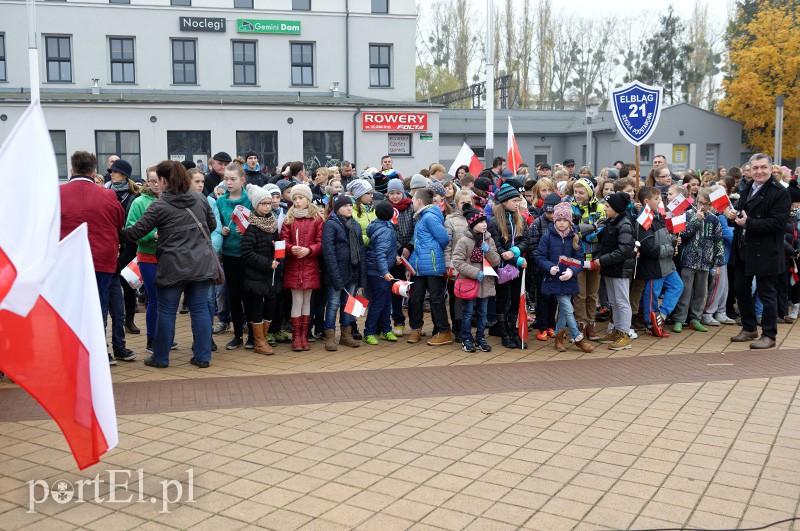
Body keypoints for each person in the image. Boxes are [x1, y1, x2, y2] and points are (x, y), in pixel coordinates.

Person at [122, 161, 218, 369]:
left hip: (172, 265)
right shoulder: (199, 198)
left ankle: (161, 357)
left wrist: (115, 228)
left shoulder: (159, 205)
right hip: (201, 263)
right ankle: (203, 357)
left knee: (166, 311)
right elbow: (212, 225)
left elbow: (135, 233)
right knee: (200, 309)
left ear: (164, 180)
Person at [60, 151, 126, 365]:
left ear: (72, 170)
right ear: (94, 171)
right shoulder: (107, 195)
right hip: (101, 260)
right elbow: (119, 223)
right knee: (98, 307)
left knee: (69, 307)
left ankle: (72, 352)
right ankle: (98, 352)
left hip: (68, 262)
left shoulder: (57, 194)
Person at [727, 153, 791, 349]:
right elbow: (742, 213)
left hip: (766, 250)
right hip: (743, 248)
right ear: (750, 169)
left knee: (766, 293)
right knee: (740, 288)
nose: (759, 171)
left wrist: (749, 223)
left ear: (771, 168)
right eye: (755, 168)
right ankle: (749, 328)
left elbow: (778, 223)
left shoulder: (779, 192)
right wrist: (732, 215)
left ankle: (769, 335)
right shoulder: (746, 188)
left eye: (763, 167)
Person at [536, 202, 594, 353]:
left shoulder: (575, 237)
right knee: (568, 307)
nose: (561, 223)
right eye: (558, 220)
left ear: (569, 221)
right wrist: (549, 267)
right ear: (554, 221)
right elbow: (540, 257)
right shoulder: (547, 237)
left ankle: (558, 339)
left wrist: (571, 271)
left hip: (568, 279)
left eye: (565, 220)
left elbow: (579, 258)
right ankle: (577, 337)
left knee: (563, 310)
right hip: (553, 279)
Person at [672, 189, 725, 333]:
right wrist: (696, 220)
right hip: (688, 261)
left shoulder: (714, 219)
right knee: (685, 291)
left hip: (705, 262)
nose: (703, 206)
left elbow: (718, 242)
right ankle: (679, 319)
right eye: (701, 203)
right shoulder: (688, 215)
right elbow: (683, 234)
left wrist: (717, 263)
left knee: (701, 293)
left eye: (707, 204)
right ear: (696, 201)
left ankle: (695, 318)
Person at [104, 158, 140, 361]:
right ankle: (116, 338)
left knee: (128, 286)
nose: (112, 174)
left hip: (128, 246)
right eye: (110, 171)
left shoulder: (134, 195)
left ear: (125, 175)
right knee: (112, 293)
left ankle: (130, 319)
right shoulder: (106, 192)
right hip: (111, 247)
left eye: (115, 171)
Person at [281, 183, 324, 352]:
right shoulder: (288, 219)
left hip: (310, 265)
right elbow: (283, 241)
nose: (297, 201)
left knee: (307, 301)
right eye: (295, 198)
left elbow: (321, 243)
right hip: (294, 265)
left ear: (308, 199)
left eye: (301, 198)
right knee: (296, 300)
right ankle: (296, 337)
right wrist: (291, 248)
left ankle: (305, 335)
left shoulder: (317, 219)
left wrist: (309, 250)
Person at [635, 186, 683, 338]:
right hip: (654, 266)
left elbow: (665, 237)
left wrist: (674, 240)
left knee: (677, 285)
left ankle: (661, 315)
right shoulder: (644, 219)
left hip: (667, 265)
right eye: (656, 199)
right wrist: (670, 249)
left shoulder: (657, 216)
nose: (660, 201)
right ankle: (651, 323)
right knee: (652, 296)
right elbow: (648, 247)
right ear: (646, 201)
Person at [406, 189, 452, 345]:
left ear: (419, 201)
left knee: (436, 299)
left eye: (413, 199)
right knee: (415, 298)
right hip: (419, 266)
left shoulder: (429, 217)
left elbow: (444, 238)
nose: (411, 202)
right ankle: (416, 328)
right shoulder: (421, 217)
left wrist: (432, 251)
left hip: (432, 265)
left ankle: (444, 330)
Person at [216, 163, 254, 350]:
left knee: (250, 295)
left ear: (242, 180)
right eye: (226, 179)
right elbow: (216, 225)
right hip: (229, 254)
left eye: (233, 179)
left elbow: (260, 221)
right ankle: (238, 334)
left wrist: (248, 229)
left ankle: (253, 335)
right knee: (234, 294)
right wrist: (221, 230)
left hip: (247, 254)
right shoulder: (220, 202)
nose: (229, 182)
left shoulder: (250, 200)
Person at [452, 205, 500, 353]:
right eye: (480, 222)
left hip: (485, 284)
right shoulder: (464, 241)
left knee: (483, 313)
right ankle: (466, 338)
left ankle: (480, 338)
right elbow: (458, 261)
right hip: (469, 283)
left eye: (485, 221)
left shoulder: (489, 240)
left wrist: (489, 251)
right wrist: (474, 272)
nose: (484, 224)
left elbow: (496, 261)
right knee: (467, 312)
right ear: (472, 224)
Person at [240, 184, 281, 355]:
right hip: (256, 274)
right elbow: (247, 252)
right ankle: (259, 340)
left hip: (271, 274)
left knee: (270, 305)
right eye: (263, 203)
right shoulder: (251, 225)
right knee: (257, 306)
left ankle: (263, 337)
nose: (267, 206)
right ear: (256, 205)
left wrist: (279, 253)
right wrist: (266, 263)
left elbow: (278, 244)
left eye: (269, 203)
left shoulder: (272, 222)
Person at [593, 192, 636, 351]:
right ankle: (617, 330)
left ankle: (625, 334)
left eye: (608, 206)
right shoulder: (613, 222)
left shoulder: (624, 224)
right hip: (611, 268)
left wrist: (602, 260)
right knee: (614, 301)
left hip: (620, 269)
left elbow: (624, 251)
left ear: (616, 209)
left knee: (622, 302)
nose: (605, 208)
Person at [321, 194, 364, 350]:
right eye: (345, 206)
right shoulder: (331, 224)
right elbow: (328, 252)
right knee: (333, 304)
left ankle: (346, 334)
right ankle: (330, 336)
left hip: (352, 271)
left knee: (349, 304)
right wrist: (335, 275)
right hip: (336, 272)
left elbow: (361, 251)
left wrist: (361, 276)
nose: (349, 208)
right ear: (338, 208)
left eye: (350, 206)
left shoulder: (355, 225)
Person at [488, 183, 529, 349]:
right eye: (514, 200)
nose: (517, 203)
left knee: (514, 299)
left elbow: (526, 240)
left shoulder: (521, 219)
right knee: (503, 299)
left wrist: (515, 252)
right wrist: (514, 259)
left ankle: (513, 329)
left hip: (516, 267)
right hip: (502, 268)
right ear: (504, 202)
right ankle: (504, 331)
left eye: (518, 200)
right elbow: (497, 247)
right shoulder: (494, 222)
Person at [125, 166, 160, 353]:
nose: (155, 184)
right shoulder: (139, 202)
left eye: (159, 180)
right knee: (154, 298)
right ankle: (152, 339)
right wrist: (152, 236)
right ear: (147, 181)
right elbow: (131, 228)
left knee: (167, 300)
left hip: (170, 258)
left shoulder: (170, 200)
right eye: (152, 181)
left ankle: (164, 336)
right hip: (147, 256)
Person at [188, 168, 222, 352]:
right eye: (197, 182)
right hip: (186, 259)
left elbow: (215, 229)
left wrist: (211, 251)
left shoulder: (209, 201)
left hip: (206, 256)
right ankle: (199, 337)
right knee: (195, 302)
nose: (201, 185)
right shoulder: (179, 201)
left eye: (202, 182)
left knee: (207, 300)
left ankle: (205, 337)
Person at [570, 178, 605, 341]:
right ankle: (580, 325)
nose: (577, 195)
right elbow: (573, 232)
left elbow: (602, 231)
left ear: (589, 193)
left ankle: (590, 324)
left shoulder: (600, 208)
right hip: (577, 257)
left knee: (592, 294)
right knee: (580, 294)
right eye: (575, 192)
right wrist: (593, 227)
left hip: (596, 257)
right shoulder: (570, 207)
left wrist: (586, 232)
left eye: (581, 192)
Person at [526, 193, 562, 340]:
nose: (550, 215)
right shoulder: (537, 223)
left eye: (553, 212)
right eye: (548, 212)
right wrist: (544, 264)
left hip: (558, 268)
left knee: (554, 298)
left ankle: (551, 325)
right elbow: (532, 247)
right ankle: (541, 326)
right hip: (541, 269)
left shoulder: (562, 224)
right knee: (542, 298)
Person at [363, 201, 399, 345]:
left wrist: (395, 256)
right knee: (378, 303)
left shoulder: (381, 226)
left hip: (379, 270)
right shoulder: (385, 230)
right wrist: (384, 272)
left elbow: (387, 249)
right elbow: (381, 253)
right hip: (378, 272)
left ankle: (386, 329)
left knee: (385, 301)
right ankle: (369, 332)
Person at [701, 184, 736, 326]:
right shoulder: (718, 217)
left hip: (724, 258)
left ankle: (721, 311)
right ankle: (709, 312)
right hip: (717, 258)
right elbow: (728, 236)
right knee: (716, 286)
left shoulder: (722, 217)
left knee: (724, 286)